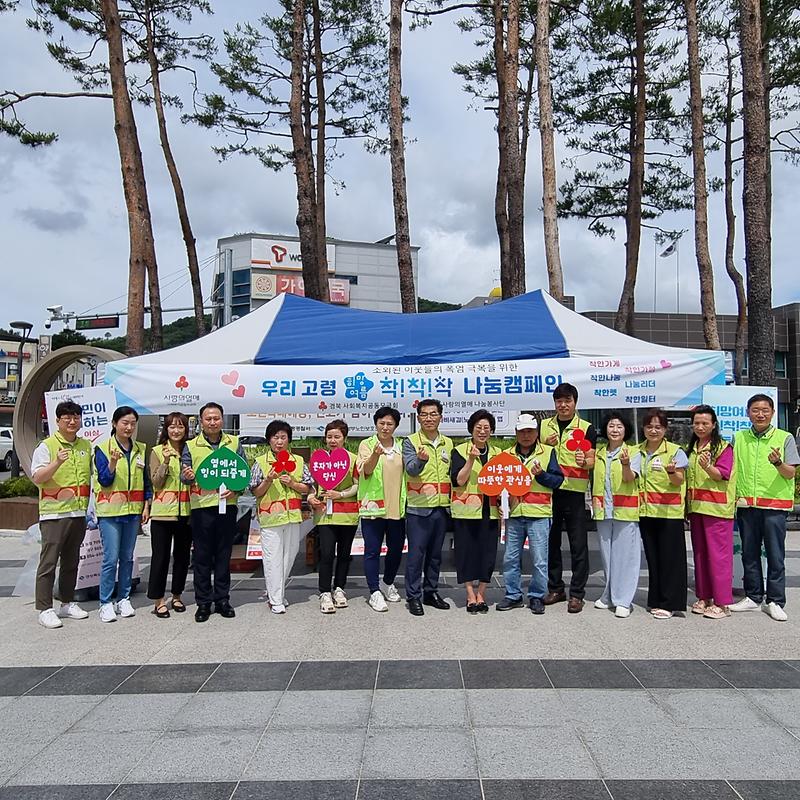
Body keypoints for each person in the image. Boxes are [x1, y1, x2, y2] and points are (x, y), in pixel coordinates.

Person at [730, 393, 799, 622]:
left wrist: (778, 462)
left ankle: (775, 601)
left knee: (775, 555)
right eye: (755, 410)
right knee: (749, 554)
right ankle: (753, 596)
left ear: (772, 413)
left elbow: (791, 473)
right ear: (748, 413)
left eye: (765, 410)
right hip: (746, 505)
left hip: (774, 506)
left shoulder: (785, 437)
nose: (760, 414)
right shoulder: (738, 438)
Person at [30, 400, 92, 628]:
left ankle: (67, 602)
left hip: (78, 512)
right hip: (53, 515)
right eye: (67, 418)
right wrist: (56, 462)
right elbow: (37, 477)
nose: (72, 421)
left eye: (76, 417)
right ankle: (45, 608)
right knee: (48, 562)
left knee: (71, 561)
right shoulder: (46, 446)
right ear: (57, 421)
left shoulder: (86, 445)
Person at [181, 402, 243, 622]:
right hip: (201, 507)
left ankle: (223, 599)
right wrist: (187, 475)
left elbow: (241, 475)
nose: (212, 422)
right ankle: (204, 602)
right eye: (208, 418)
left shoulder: (233, 443)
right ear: (201, 421)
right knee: (202, 556)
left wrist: (236, 488)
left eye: (216, 418)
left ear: (222, 419)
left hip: (228, 507)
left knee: (224, 554)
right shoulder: (191, 445)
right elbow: (183, 474)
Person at [496, 414, 563, 615]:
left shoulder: (548, 452)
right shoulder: (506, 454)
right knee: (510, 558)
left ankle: (536, 596)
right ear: (516, 432)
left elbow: (558, 481)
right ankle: (513, 595)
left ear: (536, 433)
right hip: (514, 514)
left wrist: (541, 475)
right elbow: (498, 484)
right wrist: (499, 503)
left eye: (530, 431)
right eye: (522, 431)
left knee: (540, 559)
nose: (526, 435)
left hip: (539, 513)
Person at [540, 383, 597, 613]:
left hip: (574, 492)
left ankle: (577, 594)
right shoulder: (544, 426)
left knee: (578, 544)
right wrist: (546, 444)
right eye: (559, 401)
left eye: (567, 400)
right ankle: (556, 588)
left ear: (575, 402)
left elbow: (592, 459)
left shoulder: (586, 427)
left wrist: (586, 462)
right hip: (550, 491)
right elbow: (535, 452)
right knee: (551, 542)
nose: (563, 405)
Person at [94, 406, 152, 624]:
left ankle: (124, 598)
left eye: (132, 423)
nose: (128, 427)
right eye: (124, 423)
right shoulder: (102, 448)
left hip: (133, 512)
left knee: (127, 557)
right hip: (109, 512)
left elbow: (145, 481)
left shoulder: (140, 449)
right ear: (114, 424)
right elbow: (105, 480)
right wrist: (113, 462)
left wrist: (146, 506)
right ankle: (105, 602)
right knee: (110, 558)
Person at [250, 420, 311, 615]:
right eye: (275, 437)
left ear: (289, 440)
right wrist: (268, 479)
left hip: (293, 517)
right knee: (272, 559)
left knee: (289, 557)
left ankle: (276, 592)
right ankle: (276, 599)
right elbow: (255, 492)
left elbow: (307, 487)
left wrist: (292, 483)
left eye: (283, 437)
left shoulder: (298, 461)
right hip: (270, 518)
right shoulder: (260, 462)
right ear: (269, 440)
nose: (279, 441)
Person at [403, 398, 454, 616]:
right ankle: (413, 596)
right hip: (418, 508)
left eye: (433, 414)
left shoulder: (449, 443)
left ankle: (430, 592)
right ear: (418, 417)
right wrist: (421, 460)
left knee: (435, 555)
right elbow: (411, 470)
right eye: (424, 414)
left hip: (442, 508)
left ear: (441, 417)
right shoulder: (411, 441)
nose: (429, 418)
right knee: (416, 555)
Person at [685, 405, 736, 620]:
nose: (700, 426)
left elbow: (721, 475)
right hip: (696, 508)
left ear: (714, 424)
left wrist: (707, 468)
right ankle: (704, 596)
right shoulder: (692, 447)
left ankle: (723, 602)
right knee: (700, 554)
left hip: (717, 509)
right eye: (697, 423)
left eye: (705, 423)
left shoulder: (723, 448)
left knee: (719, 556)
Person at [637, 409, 688, 619]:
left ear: (665, 429)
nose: (653, 431)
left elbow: (679, 480)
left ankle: (670, 603)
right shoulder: (636, 451)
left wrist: (670, 472)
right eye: (649, 426)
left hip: (669, 513)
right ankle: (655, 599)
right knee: (653, 558)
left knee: (671, 560)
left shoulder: (676, 451)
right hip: (645, 512)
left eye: (658, 427)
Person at [590, 412, 641, 619]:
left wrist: (626, 464)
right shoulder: (600, 453)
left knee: (625, 557)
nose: (615, 430)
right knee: (607, 555)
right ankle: (610, 594)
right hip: (603, 510)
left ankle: (624, 600)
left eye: (619, 426)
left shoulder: (633, 452)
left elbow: (630, 479)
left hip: (625, 511)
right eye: (611, 426)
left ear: (626, 430)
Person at [450, 410, 501, 613]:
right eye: (478, 427)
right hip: (466, 511)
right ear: (471, 429)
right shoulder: (460, 450)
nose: (482, 431)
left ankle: (482, 593)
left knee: (488, 553)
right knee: (466, 553)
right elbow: (459, 480)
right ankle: (470, 594)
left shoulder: (497, 453)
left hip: (490, 511)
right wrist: (471, 460)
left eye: (486, 428)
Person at [357, 406, 406, 612]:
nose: (385, 427)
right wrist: (375, 455)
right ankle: (374, 591)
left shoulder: (402, 445)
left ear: (395, 426)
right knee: (372, 551)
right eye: (382, 423)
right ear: (375, 423)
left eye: (390, 424)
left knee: (396, 549)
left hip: (397, 507)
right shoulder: (366, 444)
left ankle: (387, 582)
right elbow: (365, 471)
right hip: (373, 508)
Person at [308, 420, 359, 614]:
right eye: (329, 436)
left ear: (344, 438)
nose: (332, 440)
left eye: (337, 436)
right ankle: (324, 591)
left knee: (345, 554)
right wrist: (311, 497)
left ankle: (339, 588)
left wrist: (341, 494)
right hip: (325, 515)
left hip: (347, 513)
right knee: (327, 553)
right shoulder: (318, 458)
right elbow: (312, 485)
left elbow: (357, 484)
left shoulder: (353, 459)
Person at [147, 412, 192, 619]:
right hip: (163, 514)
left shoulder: (190, 450)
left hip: (186, 512)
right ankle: (158, 600)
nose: (176, 430)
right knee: (160, 557)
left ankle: (177, 595)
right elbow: (156, 482)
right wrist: (165, 462)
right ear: (166, 429)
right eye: (172, 426)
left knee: (182, 557)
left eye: (180, 426)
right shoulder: (157, 451)